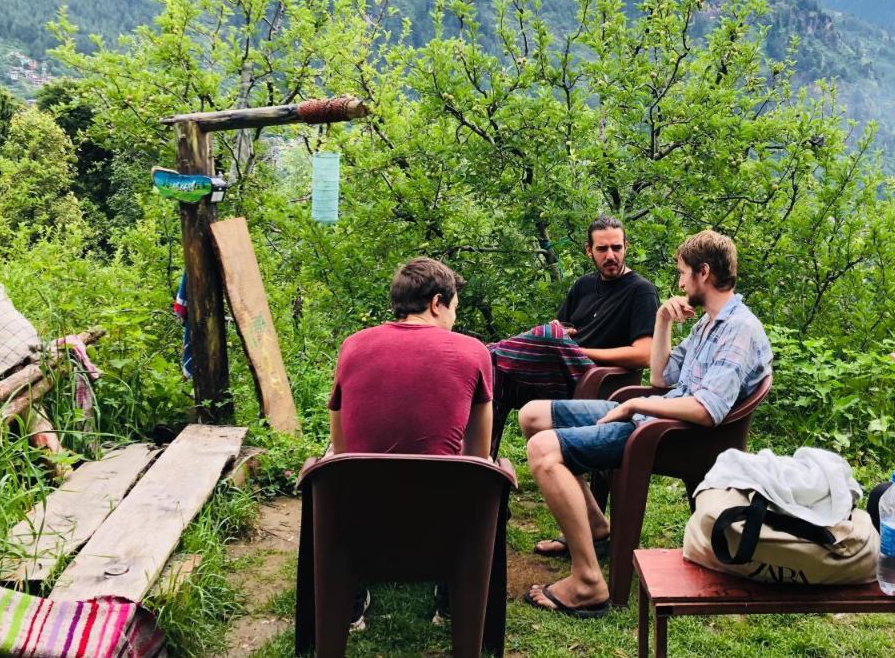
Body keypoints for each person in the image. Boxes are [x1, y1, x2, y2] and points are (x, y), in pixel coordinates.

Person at [518, 230, 773, 616]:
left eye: (683, 273)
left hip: (671, 437)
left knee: (542, 449)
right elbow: (661, 378)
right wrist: (662, 321)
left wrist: (637, 407)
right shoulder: (710, 323)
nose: (680, 282)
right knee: (533, 415)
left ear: (703, 273)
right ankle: (597, 529)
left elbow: (707, 410)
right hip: (651, 417)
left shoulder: (738, 330)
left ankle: (588, 582)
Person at [327, 257, 493, 628]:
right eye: (454, 308)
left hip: (363, 516)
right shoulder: (472, 351)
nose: (454, 320)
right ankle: (451, 600)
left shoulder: (352, 346)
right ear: (437, 303)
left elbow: (341, 449)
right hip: (440, 521)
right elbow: (479, 457)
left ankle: (351, 600)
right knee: (482, 477)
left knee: (334, 466)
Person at [489, 216, 659, 452]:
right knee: (497, 378)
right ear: (589, 251)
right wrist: (559, 334)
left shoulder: (641, 290)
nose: (610, 255)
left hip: (596, 377)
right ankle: (486, 466)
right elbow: (560, 327)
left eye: (616, 247)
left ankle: (485, 352)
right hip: (560, 372)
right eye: (602, 249)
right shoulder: (583, 285)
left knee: (548, 336)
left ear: (626, 247)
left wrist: (577, 349)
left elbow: (644, 355)